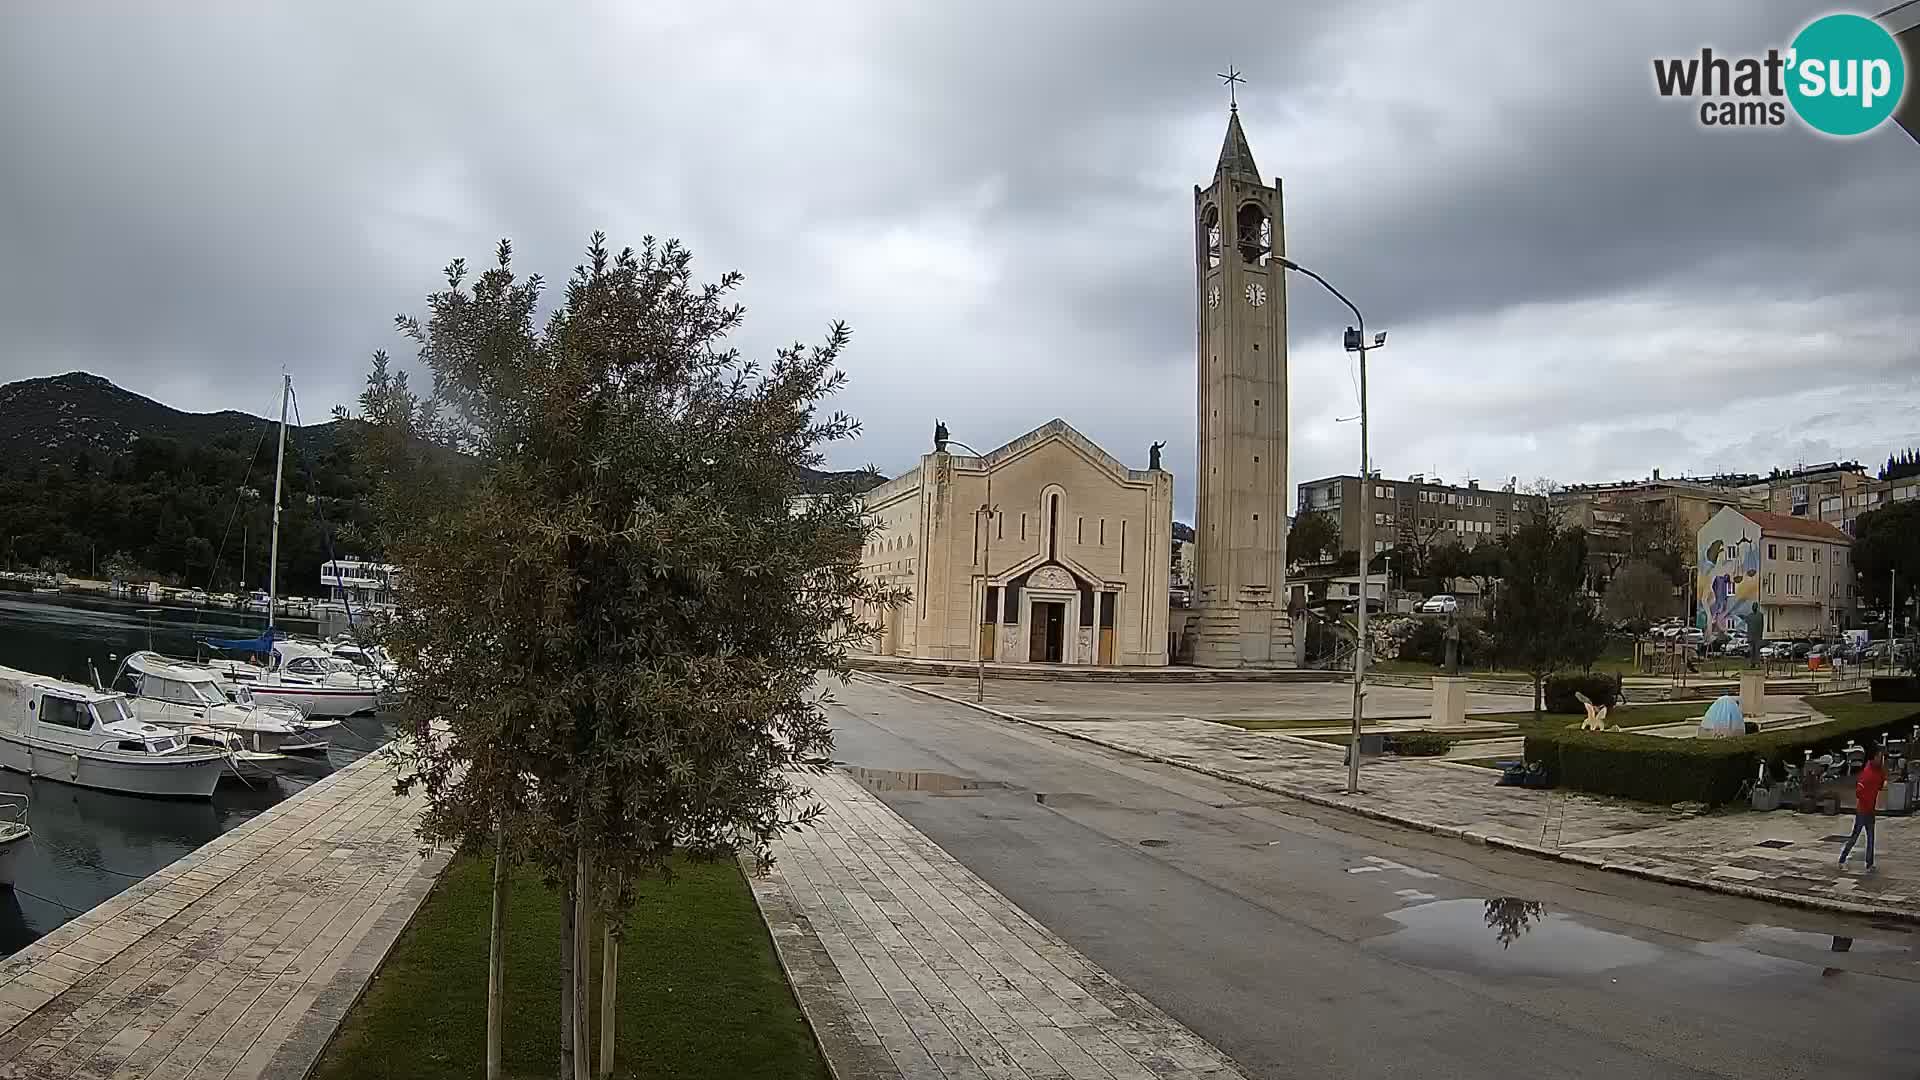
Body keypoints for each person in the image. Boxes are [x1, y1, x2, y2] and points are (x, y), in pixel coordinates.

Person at [1839, 748, 1889, 871]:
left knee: (1871, 837)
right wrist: (1867, 799)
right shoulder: (1867, 773)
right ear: (1874, 758)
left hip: (1871, 810)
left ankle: (1869, 863)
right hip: (1862, 811)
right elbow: (1858, 792)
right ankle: (1842, 859)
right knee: (1855, 836)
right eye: (1879, 757)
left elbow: (1882, 783)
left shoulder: (1879, 771)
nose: (1881, 759)